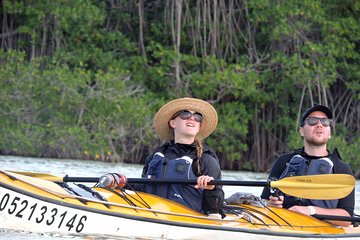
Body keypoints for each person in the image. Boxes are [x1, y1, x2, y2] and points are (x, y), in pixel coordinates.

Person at [261, 104, 355, 227]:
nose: (319, 125)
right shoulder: (283, 161)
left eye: (325, 122)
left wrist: (311, 211)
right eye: (312, 121)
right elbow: (265, 200)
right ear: (302, 131)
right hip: (283, 225)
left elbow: (347, 217)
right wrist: (271, 203)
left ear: (330, 132)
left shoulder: (342, 169)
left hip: (320, 229)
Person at [135, 97, 224, 215]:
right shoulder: (156, 156)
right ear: (172, 123)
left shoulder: (206, 160)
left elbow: (214, 208)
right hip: (152, 211)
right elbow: (143, 188)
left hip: (187, 218)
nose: (192, 118)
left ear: (199, 127)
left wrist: (211, 189)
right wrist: (121, 182)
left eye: (197, 117)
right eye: (185, 114)